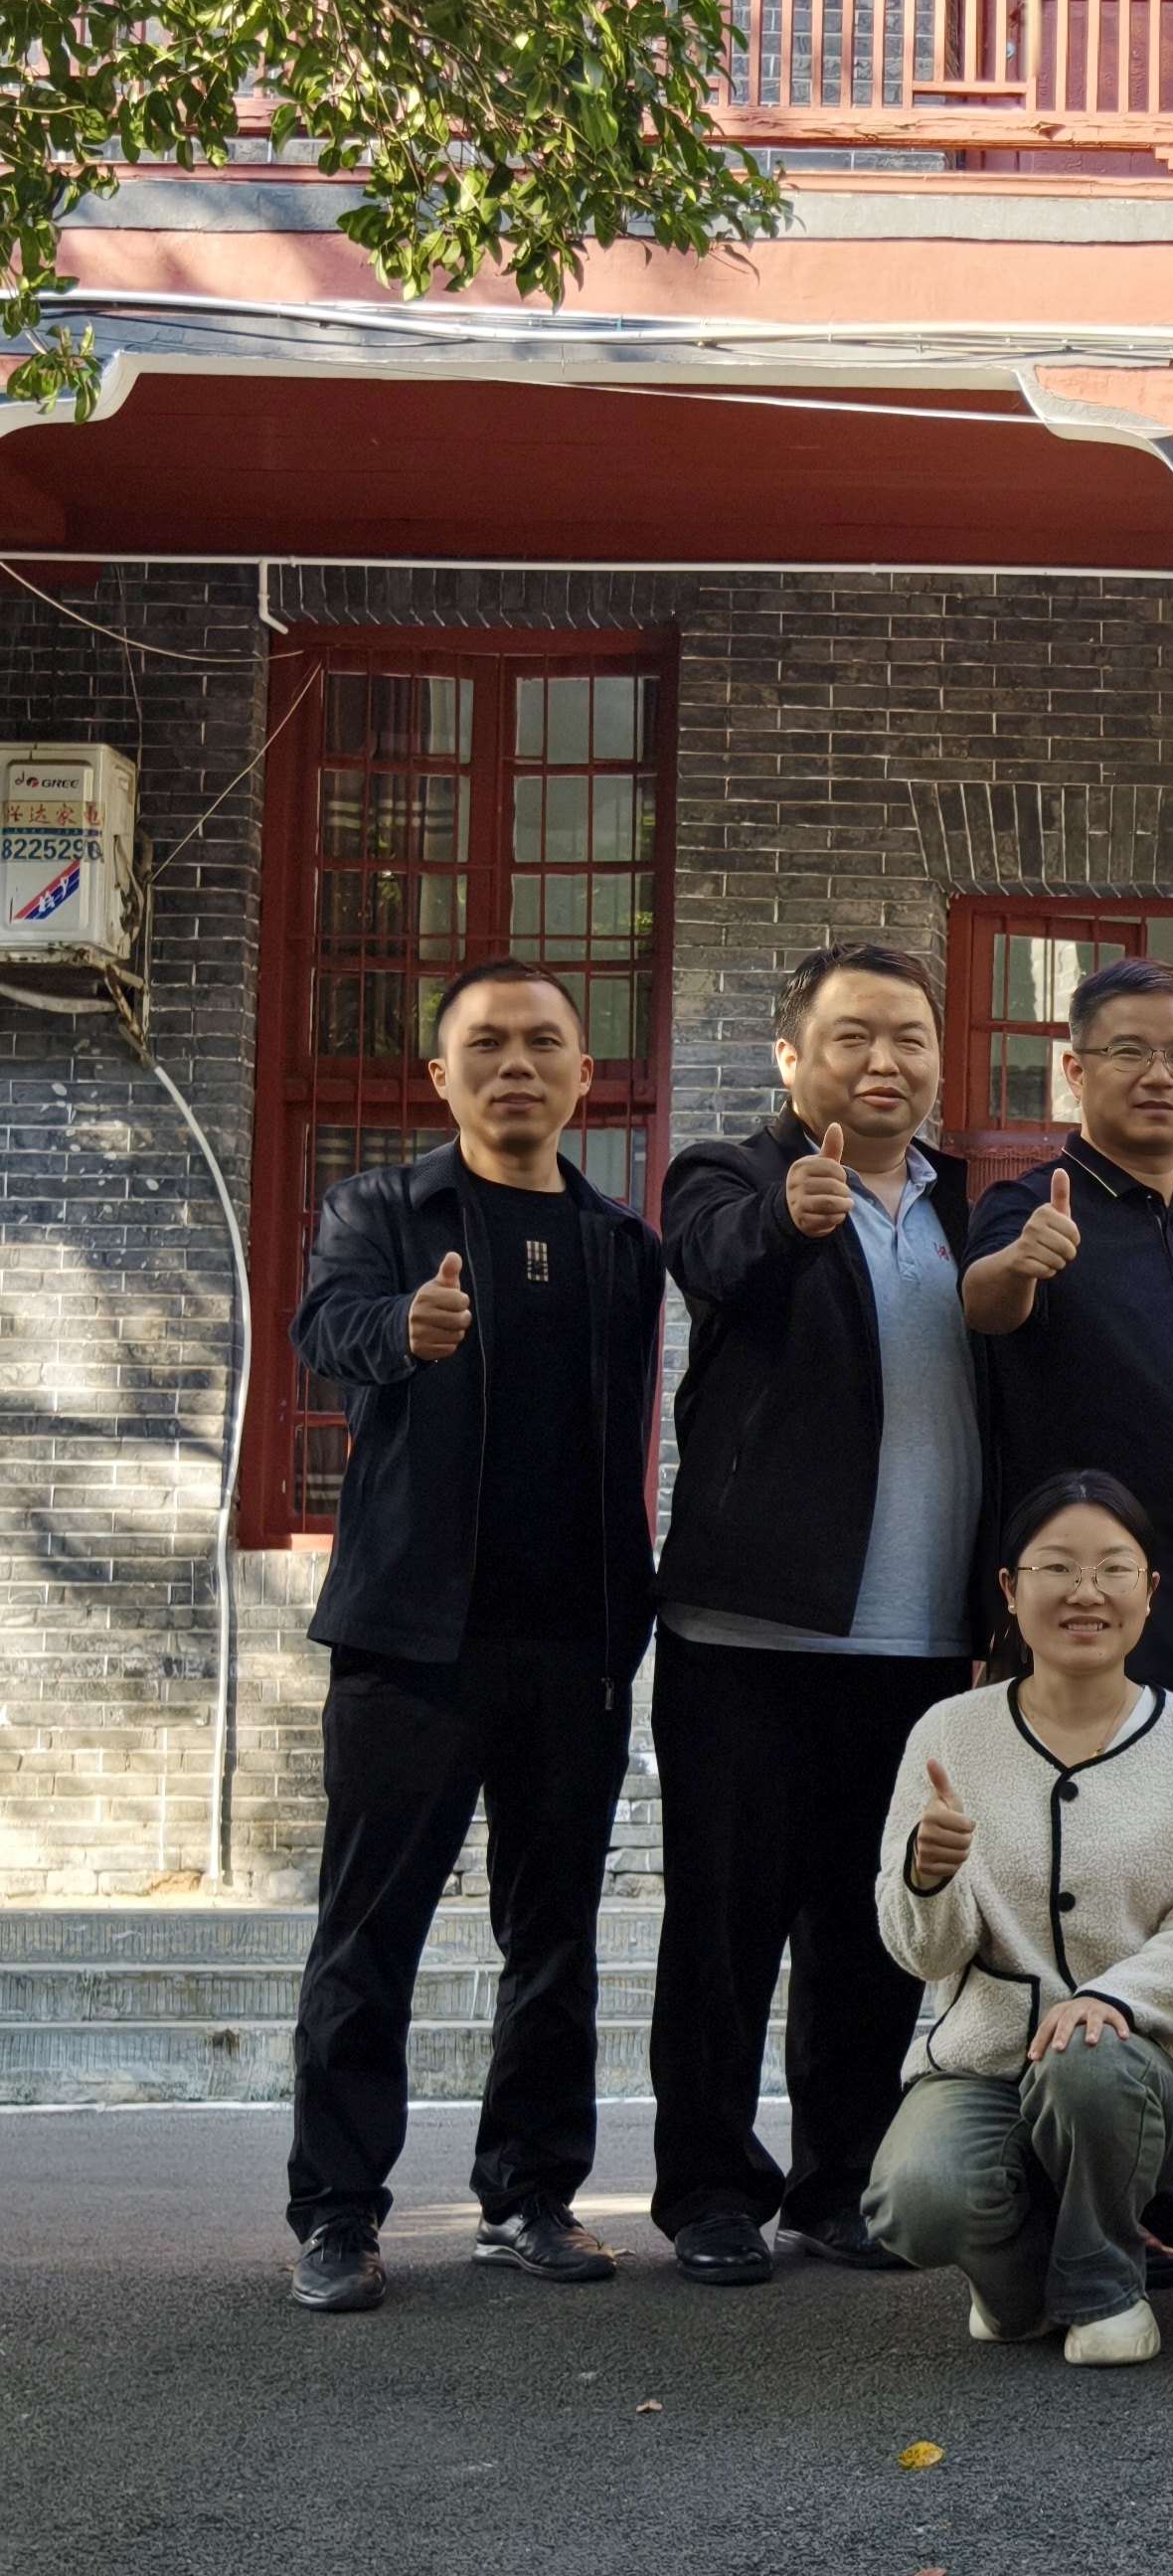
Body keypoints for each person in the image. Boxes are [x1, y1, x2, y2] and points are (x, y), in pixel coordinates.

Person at [282, 957, 666, 2316]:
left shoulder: (621, 1245)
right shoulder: (381, 1209)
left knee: (555, 1938)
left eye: (543, 1042)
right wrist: (404, 1325)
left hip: (575, 1647)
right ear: (442, 1076)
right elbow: (323, 1329)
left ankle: (530, 2197)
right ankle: (337, 2216)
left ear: (582, 1074)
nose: (517, 1064)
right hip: (412, 1639)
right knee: (367, 1936)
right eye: (487, 1044)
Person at [646, 943, 983, 2288]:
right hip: (752, 1631)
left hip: (917, 1639)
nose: (884, 1061)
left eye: (909, 1036)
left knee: (869, 1928)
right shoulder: (727, 1176)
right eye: (853, 1036)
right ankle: (707, 2190)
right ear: (792, 1057)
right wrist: (790, 1217)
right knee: (724, 1928)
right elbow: (714, 1261)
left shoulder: (967, 1204)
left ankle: (839, 2181)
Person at [961, 952, 1173, 2256]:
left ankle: (1153, 2174)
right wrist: (1022, 1265)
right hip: (1098, 1615)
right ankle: (1063, 2191)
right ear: (1074, 1070)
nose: (1161, 1075)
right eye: (1131, 1052)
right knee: (1084, 1893)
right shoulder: (1025, 1203)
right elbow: (986, 1304)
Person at [866, 1473, 1173, 2367]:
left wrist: (1114, 2001)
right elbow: (921, 1952)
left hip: (1142, 2071)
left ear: (1149, 1591)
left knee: (1087, 2063)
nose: (1086, 1592)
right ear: (1012, 1589)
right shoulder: (948, 1733)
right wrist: (929, 1878)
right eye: (1057, 1567)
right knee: (917, 2197)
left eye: (1113, 1568)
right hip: (985, 2064)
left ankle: (1104, 2289)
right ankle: (1019, 2282)